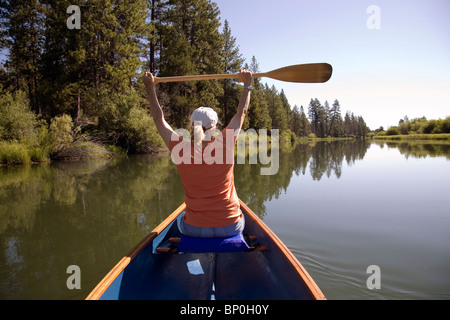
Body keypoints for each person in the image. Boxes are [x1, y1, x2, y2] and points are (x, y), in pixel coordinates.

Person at [143, 69, 252, 238]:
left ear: (191, 127)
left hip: (195, 229)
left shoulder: (180, 148)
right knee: (242, 219)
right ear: (215, 126)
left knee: (181, 222)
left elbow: (159, 119)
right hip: (230, 225)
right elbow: (241, 112)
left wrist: (149, 88)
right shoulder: (226, 142)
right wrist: (247, 84)